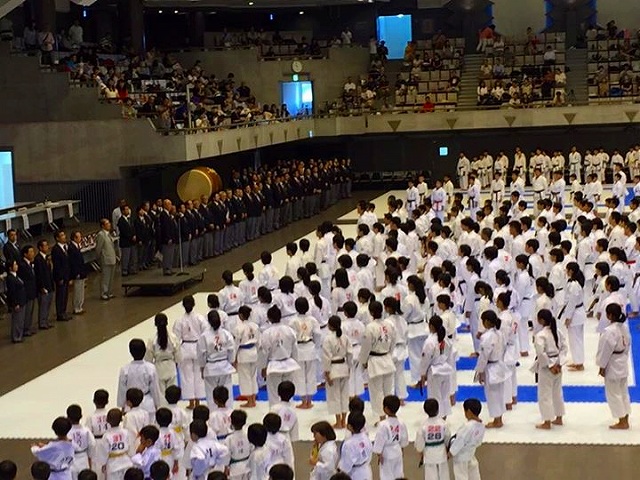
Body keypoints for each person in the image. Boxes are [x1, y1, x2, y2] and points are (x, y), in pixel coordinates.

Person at [359, 300, 396, 423]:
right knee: (388, 391)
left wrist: (364, 361)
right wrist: (388, 354)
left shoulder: (370, 327)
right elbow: (393, 342)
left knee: (377, 392)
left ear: (371, 312)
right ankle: (390, 416)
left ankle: (382, 418)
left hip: (375, 362)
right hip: (387, 359)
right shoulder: (389, 325)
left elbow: (366, 347)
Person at [597, 303, 631, 429]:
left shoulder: (609, 331)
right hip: (622, 361)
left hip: (612, 363)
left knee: (614, 394)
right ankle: (625, 418)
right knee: (623, 392)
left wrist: (602, 366)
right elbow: (628, 344)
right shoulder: (624, 327)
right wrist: (624, 357)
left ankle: (622, 421)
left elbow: (605, 351)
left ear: (610, 315)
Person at [532, 309, 567, 430]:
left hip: (547, 367)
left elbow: (541, 353)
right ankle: (559, 418)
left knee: (544, 394)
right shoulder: (557, 331)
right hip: (557, 363)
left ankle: (547, 421)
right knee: (557, 392)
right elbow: (564, 348)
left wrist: (551, 366)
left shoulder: (540, 335)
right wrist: (559, 363)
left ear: (541, 320)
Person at [260, 306, 300, 406]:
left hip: (274, 366)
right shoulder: (289, 330)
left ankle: (275, 413)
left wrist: (263, 367)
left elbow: (265, 352)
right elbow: (295, 349)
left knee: (274, 394)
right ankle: (289, 411)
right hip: (288, 363)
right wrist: (295, 361)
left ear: (269, 318)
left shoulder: (267, 333)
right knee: (288, 393)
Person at [474, 310, 508, 428]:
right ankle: (499, 418)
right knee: (499, 393)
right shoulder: (500, 333)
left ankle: (497, 420)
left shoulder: (486, 337)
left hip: (491, 367)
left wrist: (480, 371)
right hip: (499, 364)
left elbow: (484, 356)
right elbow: (504, 348)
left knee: (492, 395)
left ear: (487, 322)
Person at [197, 310, 236, 410]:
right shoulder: (226, 334)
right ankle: (229, 413)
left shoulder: (204, 336)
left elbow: (201, 354)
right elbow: (231, 350)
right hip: (224, 366)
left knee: (211, 393)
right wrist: (231, 362)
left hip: (211, 367)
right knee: (227, 391)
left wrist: (202, 367)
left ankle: (213, 413)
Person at [173, 295, 207, 409]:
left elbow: (176, 339)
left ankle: (191, 402)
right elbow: (205, 334)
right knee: (199, 375)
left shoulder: (179, 321)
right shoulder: (200, 318)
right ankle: (198, 401)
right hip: (198, 347)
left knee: (187, 376)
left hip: (185, 349)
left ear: (183, 306)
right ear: (194, 304)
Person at [419, 316, 454, 418]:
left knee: (435, 396)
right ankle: (444, 416)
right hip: (445, 368)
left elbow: (425, 359)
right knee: (444, 395)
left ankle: (437, 418)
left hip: (435, 371)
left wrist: (423, 373)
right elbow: (449, 354)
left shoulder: (430, 341)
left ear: (431, 326)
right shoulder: (445, 339)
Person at [117, 339, 162, 418]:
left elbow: (122, 390)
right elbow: (154, 388)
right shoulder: (150, 368)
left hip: (131, 405)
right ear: (144, 351)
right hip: (148, 404)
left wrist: (123, 406)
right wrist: (157, 404)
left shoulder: (125, 369)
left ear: (130, 352)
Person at [322, 315, 350, 429]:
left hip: (333, 369)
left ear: (329, 326)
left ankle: (338, 422)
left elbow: (326, 357)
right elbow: (350, 354)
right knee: (344, 395)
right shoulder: (345, 337)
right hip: (344, 367)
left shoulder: (328, 339)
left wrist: (327, 372)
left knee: (335, 396)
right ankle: (344, 421)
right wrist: (349, 367)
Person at [372, 395, 408, 479]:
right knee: (398, 473)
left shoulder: (383, 425)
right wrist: (402, 449)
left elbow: (379, 440)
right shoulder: (401, 423)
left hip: (386, 453)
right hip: (397, 451)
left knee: (386, 476)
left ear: (386, 409)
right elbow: (404, 439)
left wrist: (379, 453)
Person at [449, 398, 485, 480]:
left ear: (468, 412)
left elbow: (460, 441)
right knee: (473, 473)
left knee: (461, 475)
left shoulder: (467, 427)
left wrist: (451, 452)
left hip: (461, 456)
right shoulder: (481, 426)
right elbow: (479, 442)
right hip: (471, 453)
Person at [145, 313, 180, 392]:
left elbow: (148, 358)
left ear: (155, 324)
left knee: (161, 394)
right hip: (171, 366)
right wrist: (176, 362)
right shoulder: (173, 338)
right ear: (167, 323)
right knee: (172, 392)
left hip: (159, 368)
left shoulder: (152, 340)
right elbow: (178, 355)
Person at [415, 398, 449, 480]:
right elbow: (448, 437)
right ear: (438, 410)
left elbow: (420, 442)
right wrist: (447, 448)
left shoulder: (423, 426)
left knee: (430, 475)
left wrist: (420, 451)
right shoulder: (443, 423)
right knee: (444, 474)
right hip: (441, 451)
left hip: (429, 453)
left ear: (425, 411)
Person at [95, 409, 134, 480]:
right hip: (126, 462)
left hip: (113, 465)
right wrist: (131, 457)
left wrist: (103, 463)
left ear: (107, 420)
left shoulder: (106, 435)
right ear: (121, 419)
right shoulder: (126, 432)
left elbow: (103, 452)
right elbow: (131, 448)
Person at [234, 305, 260, 408]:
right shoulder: (255, 326)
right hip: (253, 352)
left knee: (245, 377)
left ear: (240, 315)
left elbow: (236, 344)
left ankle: (250, 401)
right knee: (253, 376)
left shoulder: (238, 328)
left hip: (243, 353)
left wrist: (234, 358)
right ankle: (253, 399)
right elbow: (258, 342)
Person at [338, 412, 372, 479]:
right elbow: (370, 453)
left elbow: (346, 464)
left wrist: (340, 470)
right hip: (366, 469)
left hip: (354, 474)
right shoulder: (366, 437)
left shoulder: (348, 444)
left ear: (349, 426)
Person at [67, 404, 96, 480]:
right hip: (83, 458)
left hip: (71, 460)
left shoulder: (66, 432)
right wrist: (89, 456)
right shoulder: (86, 430)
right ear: (81, 416)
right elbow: (92, 444)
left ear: (68, 418)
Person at [154, 408, 183, 476]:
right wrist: (176, 462)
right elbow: (177, 448)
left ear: (157, 420)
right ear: (170, 420)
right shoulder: (173, 432)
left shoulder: (156, 433)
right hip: (170, 458)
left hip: (159, 459)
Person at [34, 239, 55, 330]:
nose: (47, 247)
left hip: (49, 284)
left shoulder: (46, 258)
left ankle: (46, 320)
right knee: (43, 305)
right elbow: (39, 274)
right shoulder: (38, 259)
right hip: (43, 286)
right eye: (45, 245)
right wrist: (42, 286)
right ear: (40, 247)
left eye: (47, 245)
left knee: (48, 304)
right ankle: (42, 322)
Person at [95, 219, 118, 301]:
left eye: (109, 223)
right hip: (105, 259)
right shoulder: (101, 235)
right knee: (106, 277)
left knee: (111, 277)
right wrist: (99, 258)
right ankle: (104, 293)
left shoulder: (109, 234)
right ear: (103, 226)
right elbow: (98, 248)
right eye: (107, 224)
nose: (109, 225)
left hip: (112, 258)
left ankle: (109, 292)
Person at [51, 230, 71, 321]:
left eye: (64, 235)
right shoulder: (56, 249)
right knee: (60, 295)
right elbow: (57, 265)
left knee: (65, 295)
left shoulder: (65, 247)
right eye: (62, 235)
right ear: (57, 238)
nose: (64, 236)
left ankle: (64, 311)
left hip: (66, 275)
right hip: (60, 277)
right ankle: (60, 313)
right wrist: (60, 277)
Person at [5, 260, 27, 343]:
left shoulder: (16, 276)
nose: (17, 266)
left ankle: (19, 335)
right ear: (10, 268)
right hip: (17, 302)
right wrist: (15, 303)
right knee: (17, 320)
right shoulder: (10, 278)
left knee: (21, 320)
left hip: (22, 300)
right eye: (15, 265)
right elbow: (12, 292)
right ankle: (16, 337)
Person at [67, 231, 87, 315]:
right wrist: (76, 273)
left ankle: (80, 306)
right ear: (74, 238)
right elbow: (73, 262)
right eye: (79, 237)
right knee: (77, 291)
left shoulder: (76, 246)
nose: (81, 238)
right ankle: (76, 308)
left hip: (81, 271)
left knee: (81, 290)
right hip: (77, 273)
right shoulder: (71, 248)